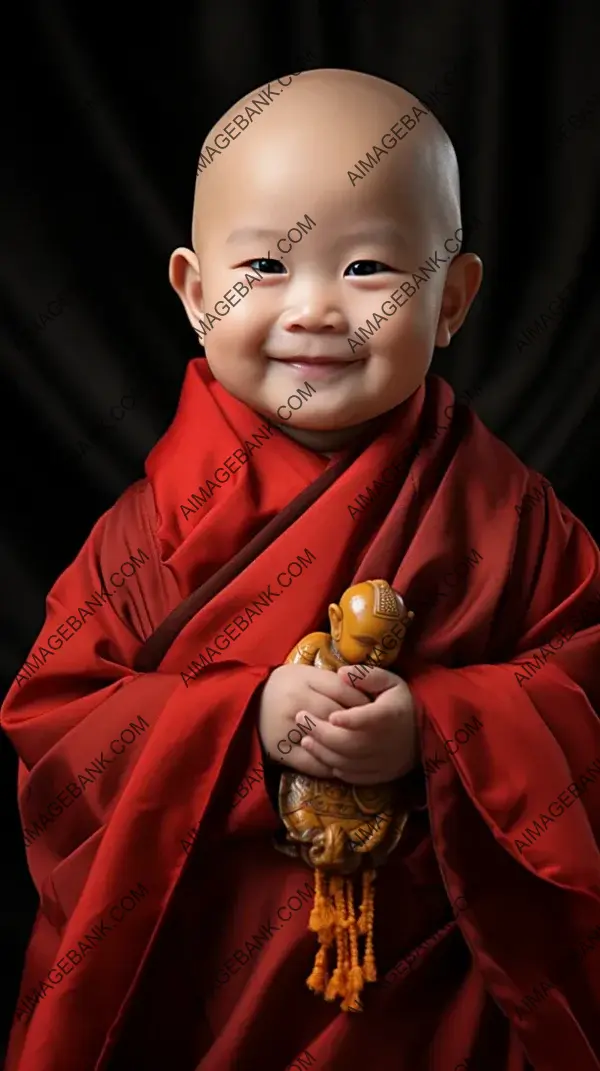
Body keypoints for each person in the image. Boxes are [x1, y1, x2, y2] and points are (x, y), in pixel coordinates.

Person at [2, 66, 600, 1071]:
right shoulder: (142, 536)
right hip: (202, 985)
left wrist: (441, 729)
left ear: (452, 298)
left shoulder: (513, 519)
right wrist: (244, 725)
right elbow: (56, 730)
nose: (318, 309)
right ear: (194, 294)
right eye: (266, 268)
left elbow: (586, 687)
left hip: (445, 1000)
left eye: (370, 269)